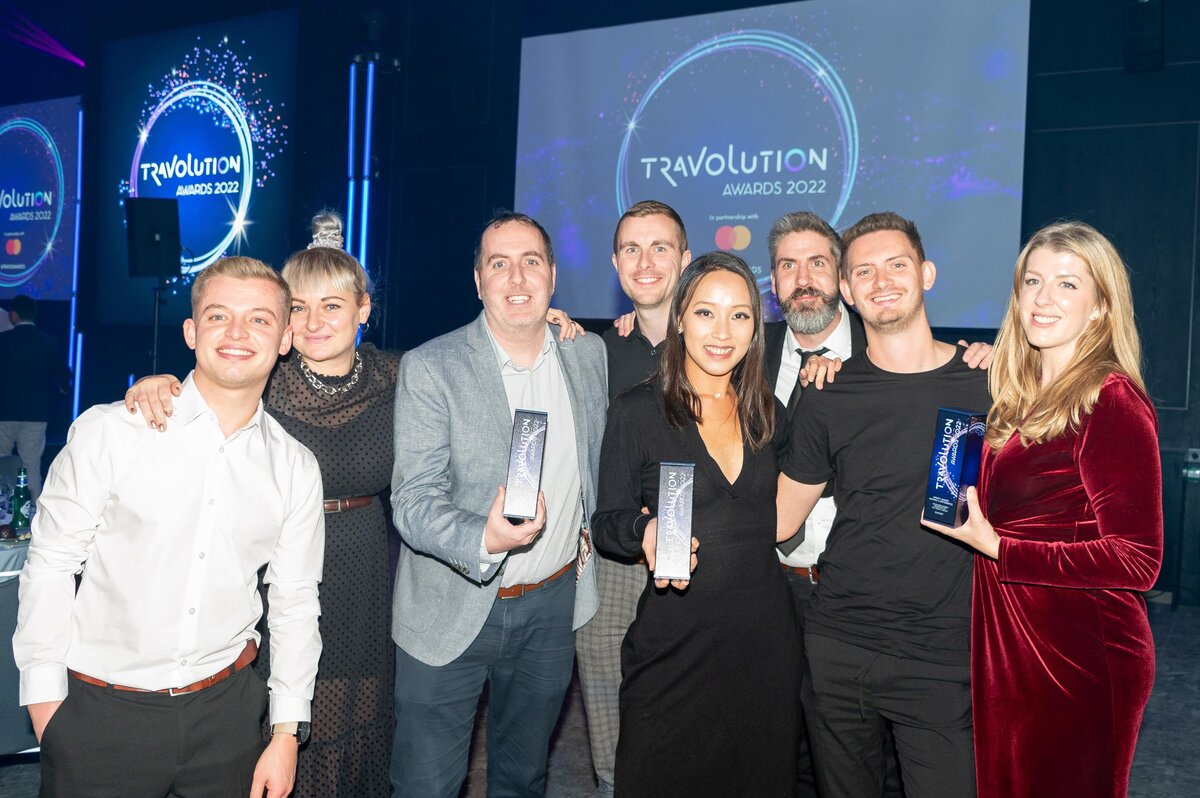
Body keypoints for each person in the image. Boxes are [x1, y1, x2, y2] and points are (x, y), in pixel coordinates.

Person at [14, 256, 325, 797]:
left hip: (228, 719)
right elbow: (51, 564)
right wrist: (46, 707)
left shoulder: (294, 466)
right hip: (101, 714)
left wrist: (285, 733)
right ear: (191, 332)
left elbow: (295, 601)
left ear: (285, 339)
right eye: (218, 316)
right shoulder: (112, 432)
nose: (237, 333)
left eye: (259, 319)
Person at [125, 213, 401, 796]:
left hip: (362, 570)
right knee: (278, 713)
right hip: (271, 566)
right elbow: (202, 389)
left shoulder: (397, 376)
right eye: (298, 307)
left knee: (360, 721)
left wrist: (552, 328)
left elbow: (465, 364)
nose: (314, 321)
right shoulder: (262, 374)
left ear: (363, 310)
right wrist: (158, 384)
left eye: (332, 305)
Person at [922, 221, 1162, 798]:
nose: (1043, 297)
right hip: (1011, 643)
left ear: (1101, 308)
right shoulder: (1017, 396)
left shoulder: (1111, 400)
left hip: (1080, 654)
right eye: (1033, 281)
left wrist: (1000, 548)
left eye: (1067, 284)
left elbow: (1138, 561)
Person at [389, 211, 607, 797]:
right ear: (478, 280)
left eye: (530, 262)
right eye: (499, 264)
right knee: (425, 787)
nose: (516, 278)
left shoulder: (588, 356)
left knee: (522, 779)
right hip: (449, 606)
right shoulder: (431, 367)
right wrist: (483, 538)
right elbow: (411, 501)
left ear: (552, 275)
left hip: (551, 610)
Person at [777, 212, 990, 798]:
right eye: (864, 271)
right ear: (846, 291)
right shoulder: (827, 392)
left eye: (897, 265)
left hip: (942, 656)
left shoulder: (986, 384)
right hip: (839, 649)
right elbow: (779, 518)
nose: (882, 281)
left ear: (926, 273)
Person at [592, 251, 800, 796]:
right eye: (706, 312)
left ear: (755, 327)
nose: (722, 332)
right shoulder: (637, 411)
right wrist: (643, 533)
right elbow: (607, 520)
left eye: (740, 315)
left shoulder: (768, 412)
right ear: (680, 317)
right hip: (674, 646)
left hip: (765, 647)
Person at [577, 199, 691, 798]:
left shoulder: (723, 341)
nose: (645, 262)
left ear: (685, 259)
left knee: (696, 703)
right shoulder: (597, 351)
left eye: (659, 248)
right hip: (616, 555)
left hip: (704, 552)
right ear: (615, 263)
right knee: (607, 695)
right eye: (631, 249)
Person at [0, 294, 72, 499]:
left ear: (13, 315)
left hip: (4, 411)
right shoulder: (49, 342)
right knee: (31, 464)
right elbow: (64, 373)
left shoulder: (3, 341)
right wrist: (63, 387)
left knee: (1, 461)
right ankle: (33, 510)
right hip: (36, 412)